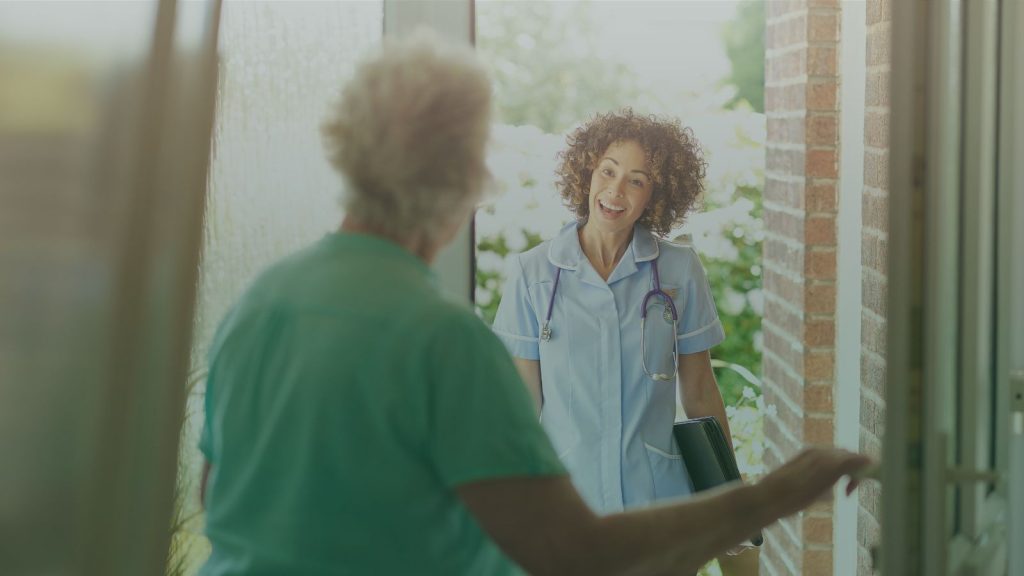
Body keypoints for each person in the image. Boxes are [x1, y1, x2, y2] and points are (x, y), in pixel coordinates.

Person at [198, 32, 870, 576]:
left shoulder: (262, 302)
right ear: (462, 183)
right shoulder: (443, 339)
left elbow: (216, 494)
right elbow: (570, 549)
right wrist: (771, 497)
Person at [493, 110, 737, 515]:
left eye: (636, 181)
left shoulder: (679, 270)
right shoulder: (533, 274)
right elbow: (520, 404)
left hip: (659, 503)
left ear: (655, 195)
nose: (615, 190)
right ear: (587, 172)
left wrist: (731, 498)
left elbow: (699, 390)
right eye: (607, 171)